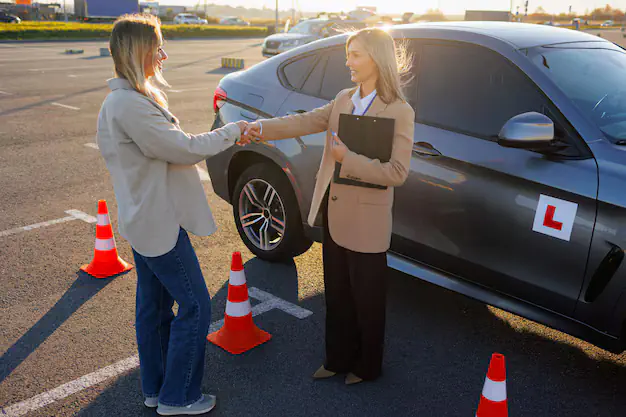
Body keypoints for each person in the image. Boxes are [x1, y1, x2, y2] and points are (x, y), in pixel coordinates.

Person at [243, 28, 415, 384]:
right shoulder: (343, 99)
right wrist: (260, 127)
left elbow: (397, 172)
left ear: (376, 60)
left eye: (355, 55)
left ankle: (368, 366)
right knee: (337, 296)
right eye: (348, 54)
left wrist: (346, 158)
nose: (348, 61)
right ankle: (337, 359)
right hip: (335, 214)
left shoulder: (399, 111)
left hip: (368, 222)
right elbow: (304, 121)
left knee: (367, 301)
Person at [96, 14, 247, 415]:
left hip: (144, 220)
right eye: (157, 48)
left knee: (154, 309)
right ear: (139, 52)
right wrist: (232, 132)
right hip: (158, 224)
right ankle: (179, 397)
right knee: (196, 306)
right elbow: (181, 148)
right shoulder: (129, 104)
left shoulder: (124, 100)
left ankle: (155, 389)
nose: (163, 56)